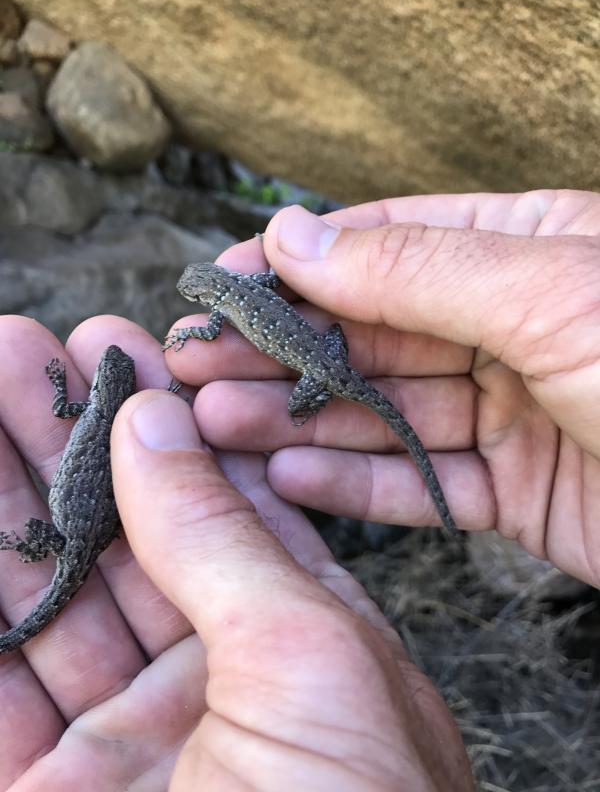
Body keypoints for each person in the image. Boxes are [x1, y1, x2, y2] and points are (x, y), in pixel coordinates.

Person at [0, 189, 598, 790]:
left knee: (297, 415)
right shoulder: (247, 295)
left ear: (206, 296)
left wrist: (205, 351)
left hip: (320, 374)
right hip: (326, 360)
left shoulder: (219, 315)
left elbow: (208, 333)